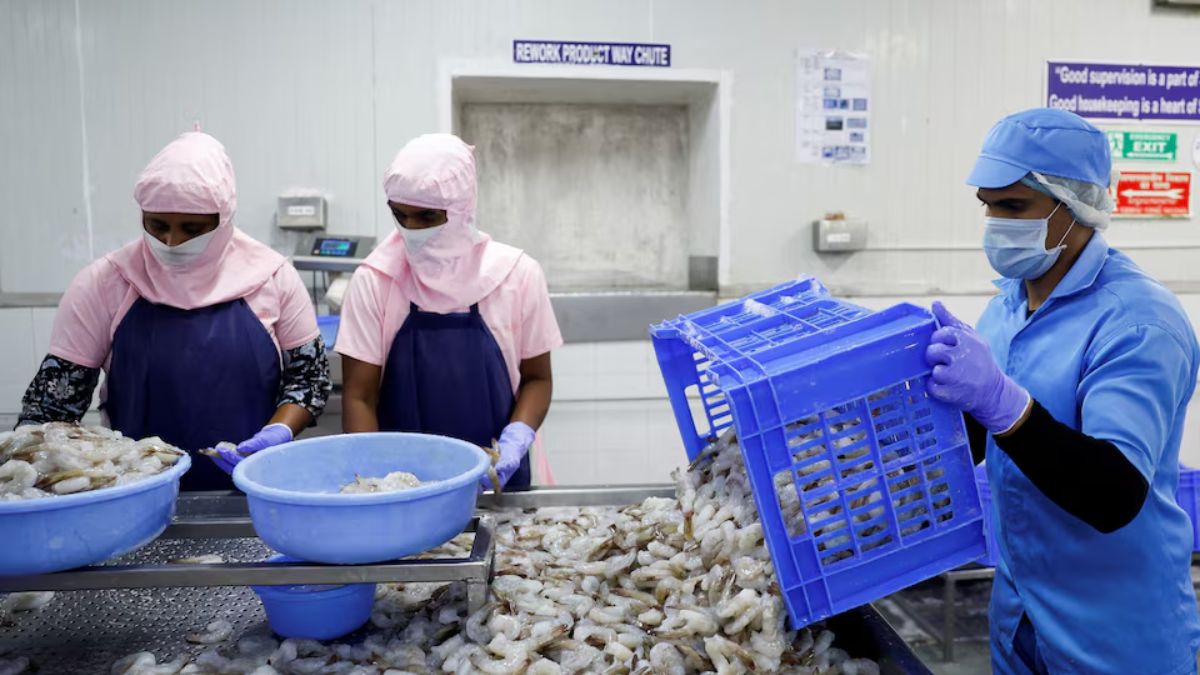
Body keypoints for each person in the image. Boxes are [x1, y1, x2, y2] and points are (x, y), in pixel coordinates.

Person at [926, 108, 1200, 673]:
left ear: (1072, 205)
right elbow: (986, 436)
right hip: (1020, 619)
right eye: (987, 206)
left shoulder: (1137, 323)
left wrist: (1002, 403)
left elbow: (1113, 493)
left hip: (1113, 635)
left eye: (1012, 207)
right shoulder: (1008, 305)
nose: (994, 223)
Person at [18, 130, 331, 490]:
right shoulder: (105, 282)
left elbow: (309, 379)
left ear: (223, 218)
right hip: (135, 495)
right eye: (158, 225)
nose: (172, 242)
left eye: (192, 229)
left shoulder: (272, 277)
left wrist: (278, 431)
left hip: (255, 490)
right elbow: (52, 410)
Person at [336, 134, 561, 491]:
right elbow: (360, 396)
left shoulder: (516, 275)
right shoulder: (375, 279)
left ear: (461, 208)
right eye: (400, 215)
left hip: (496, 482)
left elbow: (537, 378)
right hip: (403, 489)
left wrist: (515, 441)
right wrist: (377, 484)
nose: (411, 230)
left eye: (427, 217)